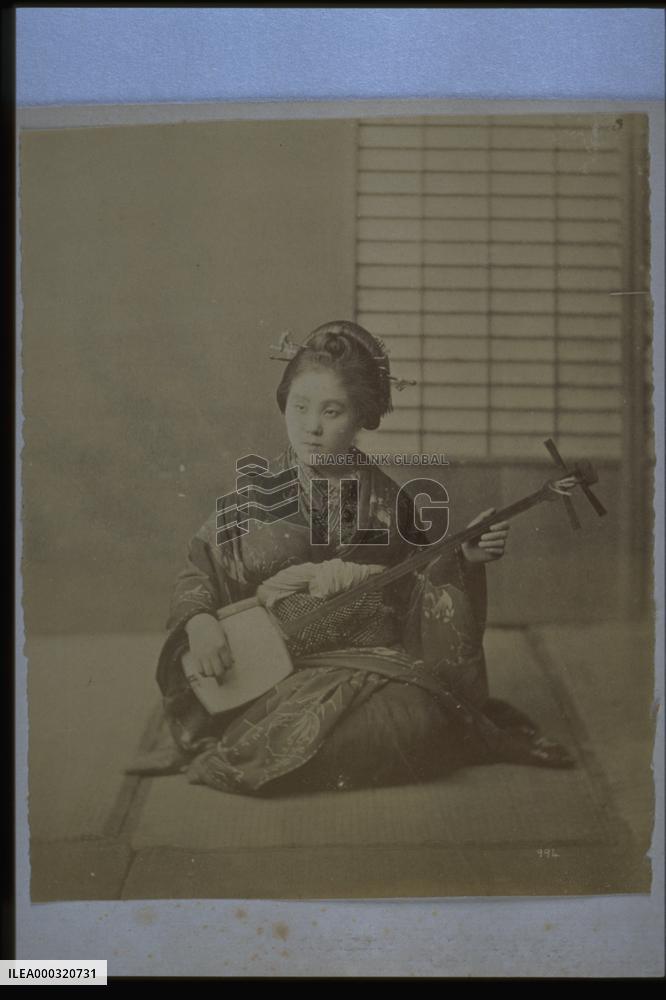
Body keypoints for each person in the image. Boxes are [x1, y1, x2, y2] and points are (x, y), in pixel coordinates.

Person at [128, 320, 573, 794]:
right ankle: (259, 740)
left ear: (361, 417)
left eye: (332, 411)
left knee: (416, 722)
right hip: (267, 665)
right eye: (300, 407)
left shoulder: (391, 503)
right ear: (284, 405)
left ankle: (258, 749)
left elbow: (420, 593)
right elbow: (200, 567)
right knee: (253, 702)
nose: (312, 426)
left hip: (366, 668)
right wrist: (200, 622)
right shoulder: (254, 495)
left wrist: (463, 559)